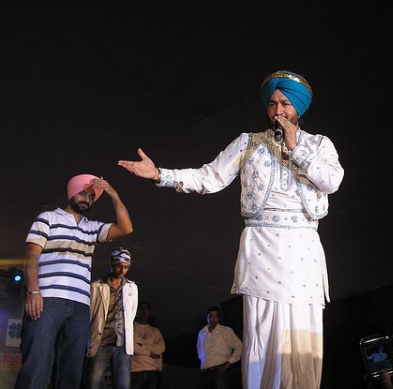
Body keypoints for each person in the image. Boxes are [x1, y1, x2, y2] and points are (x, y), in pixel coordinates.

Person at [118, 69, 344, 389]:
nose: (277, 110)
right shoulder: (248, 143)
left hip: (303, 253)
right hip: (262, 251)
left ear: (299, 108)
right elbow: (209, 178)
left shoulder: (320, 145)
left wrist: (296, 148)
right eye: (272, 104)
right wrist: (160, 174)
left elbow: (332, 182)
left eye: (285, 104)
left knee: (302, 339)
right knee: (263, 338)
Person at [14, 174, 133, 389]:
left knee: (71, 369)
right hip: (47, 299)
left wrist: (113, 194)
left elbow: (126, 228)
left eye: (91, 196)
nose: (87, 199)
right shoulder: (48, 218)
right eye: (83, 193)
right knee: (37, 365)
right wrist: (33, 291)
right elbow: (31, 255)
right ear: (71, 192)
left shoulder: (92, 228)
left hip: (80, 305)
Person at [86, 247, 138, 389]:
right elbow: (90, 314)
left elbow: (131, 314)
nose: (122, 271)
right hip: (101, 341)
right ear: (111, 264)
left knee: (123, 384)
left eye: (126, 267)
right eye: (118, 266)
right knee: (93, 383)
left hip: (122, 343)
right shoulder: (96, 286)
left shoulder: (132, 287)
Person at [196, 306, 243, 389]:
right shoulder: (202, 332)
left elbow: (239, 345)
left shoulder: (226, 331)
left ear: (219, 318)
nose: (213, 319)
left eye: (216, 316)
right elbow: (199, 350)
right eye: (211, 316)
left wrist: (229, 363)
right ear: (207, 317)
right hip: (206, 373)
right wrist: (202, 366)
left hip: (220, 371)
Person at [131, 301, 166, 389]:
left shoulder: (155, 331)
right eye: (141, 309)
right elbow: (132, 347)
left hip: (152, 371)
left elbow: (161, 348)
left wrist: (142, 346)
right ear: (137, 311)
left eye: (146, 309)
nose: (144, 311)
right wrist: (150, 353)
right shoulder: (130, 328)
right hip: (135, 371)